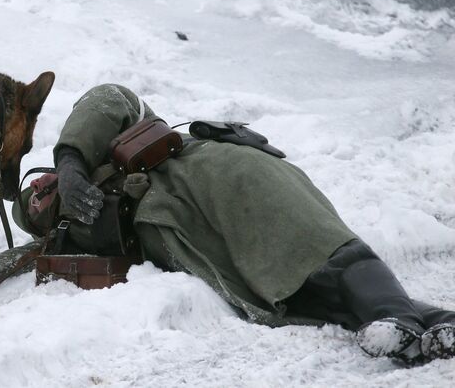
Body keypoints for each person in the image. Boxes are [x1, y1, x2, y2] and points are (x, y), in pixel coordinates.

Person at [50, 83, 455, 364]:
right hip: (209, 233)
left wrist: (68, 161)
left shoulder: (103, 143)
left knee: (315, 248)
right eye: (37, 198)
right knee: (295, 288)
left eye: (41, 188)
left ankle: (397, 319)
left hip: (227, 178)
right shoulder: (65, 227)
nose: (40, 194)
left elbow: (110, 95)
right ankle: (429, 326)